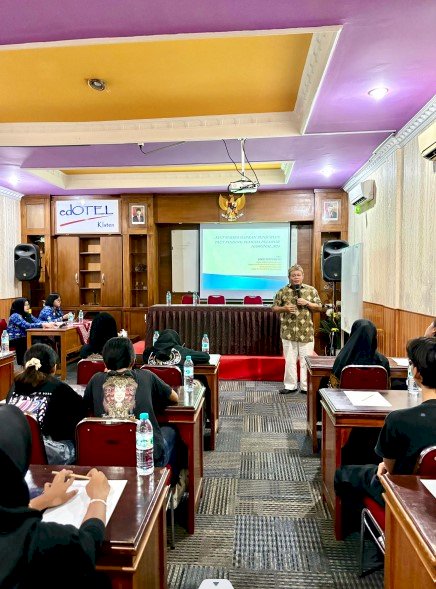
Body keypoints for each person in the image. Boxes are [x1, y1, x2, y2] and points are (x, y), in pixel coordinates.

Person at [0, 404, 111, 589]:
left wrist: (43, 500)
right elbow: (87, 544)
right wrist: (98, 498)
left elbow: (6, 517)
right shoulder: (41, 541)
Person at [335, 337, 436, 530]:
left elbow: (389, 468)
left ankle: (364, 534)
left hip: (405, 496)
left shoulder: (399, 420)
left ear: (416, 373)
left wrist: (383, 465)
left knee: (344, 474)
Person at [84, 337, 179, 470]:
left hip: (106, 455)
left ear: (105, 362)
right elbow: (174, 398)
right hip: (145, 459)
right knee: (172, 431)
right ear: (133, 360)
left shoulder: (95, 380)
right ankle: (171, 483)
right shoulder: (146, 376)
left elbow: (85, 406)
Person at [7, 343, 86, 464]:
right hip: (49, 454)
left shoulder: (14, 385)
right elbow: (81, 414)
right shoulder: (60, 388)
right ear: (54, 368)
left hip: (13, 450)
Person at [272, 264, 322, 394]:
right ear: (289, 277)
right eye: (293, 275)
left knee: (306, 361)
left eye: (298, 275)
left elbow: (319, 307)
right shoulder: (282, 291)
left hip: (306, 332)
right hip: (288, 332)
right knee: (290, 360)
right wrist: (285, 309)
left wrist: (307, 303)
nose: (296, 278)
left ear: (302, 276)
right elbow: (274, 308)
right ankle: (290, 385)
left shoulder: (311, 290)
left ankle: (306, 387)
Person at [329, 319, 390, 387]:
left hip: (347, 397)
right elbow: (387, 388)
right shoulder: (383, 361)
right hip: (377, 397)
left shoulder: (342, 359)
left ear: (353, 335)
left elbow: (334, 388)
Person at [7, 298, 56, 366]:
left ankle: (44, 363)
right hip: (16, 339)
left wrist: (52, 323)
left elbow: (38, 321)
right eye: (25, 305)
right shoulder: (15, 316)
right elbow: (27, 325)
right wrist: (42, 325)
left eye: (28, 304)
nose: (28, 306)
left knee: (44, 339)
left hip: (26, 336)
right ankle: (29, 363)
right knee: (37, 341)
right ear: (20, 306)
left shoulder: (27, 314)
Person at [142, 328, 210, 366]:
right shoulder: (182, 351)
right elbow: (206, 357)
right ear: (176, 340)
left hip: (154, 389)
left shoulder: (147, 353)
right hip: (177, 388)